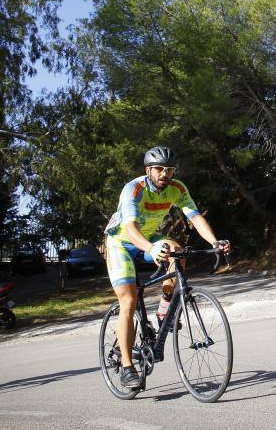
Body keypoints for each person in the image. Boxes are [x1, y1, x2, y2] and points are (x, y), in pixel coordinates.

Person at [104, 146, 231, 388]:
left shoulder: (178, 189)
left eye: (169, 169)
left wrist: (215, 241)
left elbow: (194, 217)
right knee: (129, 302)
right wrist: (150, 249)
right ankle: (128, 367)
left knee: (176, 249)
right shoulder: (134, 189)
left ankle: (164, 311)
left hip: (149, 237)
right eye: (159, 169)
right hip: (121, 242)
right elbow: (130, 229)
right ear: (148, 170)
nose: (164, 174)